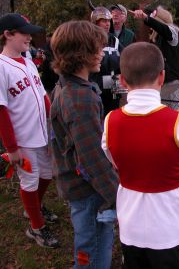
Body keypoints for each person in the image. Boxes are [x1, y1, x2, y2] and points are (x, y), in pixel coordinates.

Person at [101, 42, 179, 268]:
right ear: (162, 77)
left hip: (130, 226)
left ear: (123, 81)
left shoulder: (109, 121)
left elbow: (116, 160)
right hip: (169, 230)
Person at [50, 21, 119, 268]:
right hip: (89, 192)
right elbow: (91, 158)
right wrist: (117, 195)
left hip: (80, 187)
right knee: (93, 249)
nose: (102, 53)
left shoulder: (68, 86)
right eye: (97, 48)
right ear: (81, 53)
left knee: (93, 243)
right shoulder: (80, 98)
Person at [0, 13, 59, 248]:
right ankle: (36, 227)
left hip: (42, 132)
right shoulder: (1, 66)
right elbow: (1, 110)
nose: (29, 37)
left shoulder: (27, 61)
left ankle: (33, 207)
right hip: (23, 138)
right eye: (24, 33)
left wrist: (53, 116)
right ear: (7, 34)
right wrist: (12, 148)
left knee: (46, 174)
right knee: (30, 180)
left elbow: (42, 93)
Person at [130, 6, 179, 109]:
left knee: (172, 114)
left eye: (153, 22)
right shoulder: (157, 38)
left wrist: (146, 18)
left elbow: (164, 29)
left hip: (174, 83)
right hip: (162, 82)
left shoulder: (173, 32)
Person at [89, 5, 124, 114]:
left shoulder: (115, 41)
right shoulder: (89, 41)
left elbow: (124, 61)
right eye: (103, 21)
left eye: (109, 20)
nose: (108, 24)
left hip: (114, 87)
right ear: (95, 22)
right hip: (96, 88)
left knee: (113, 117)